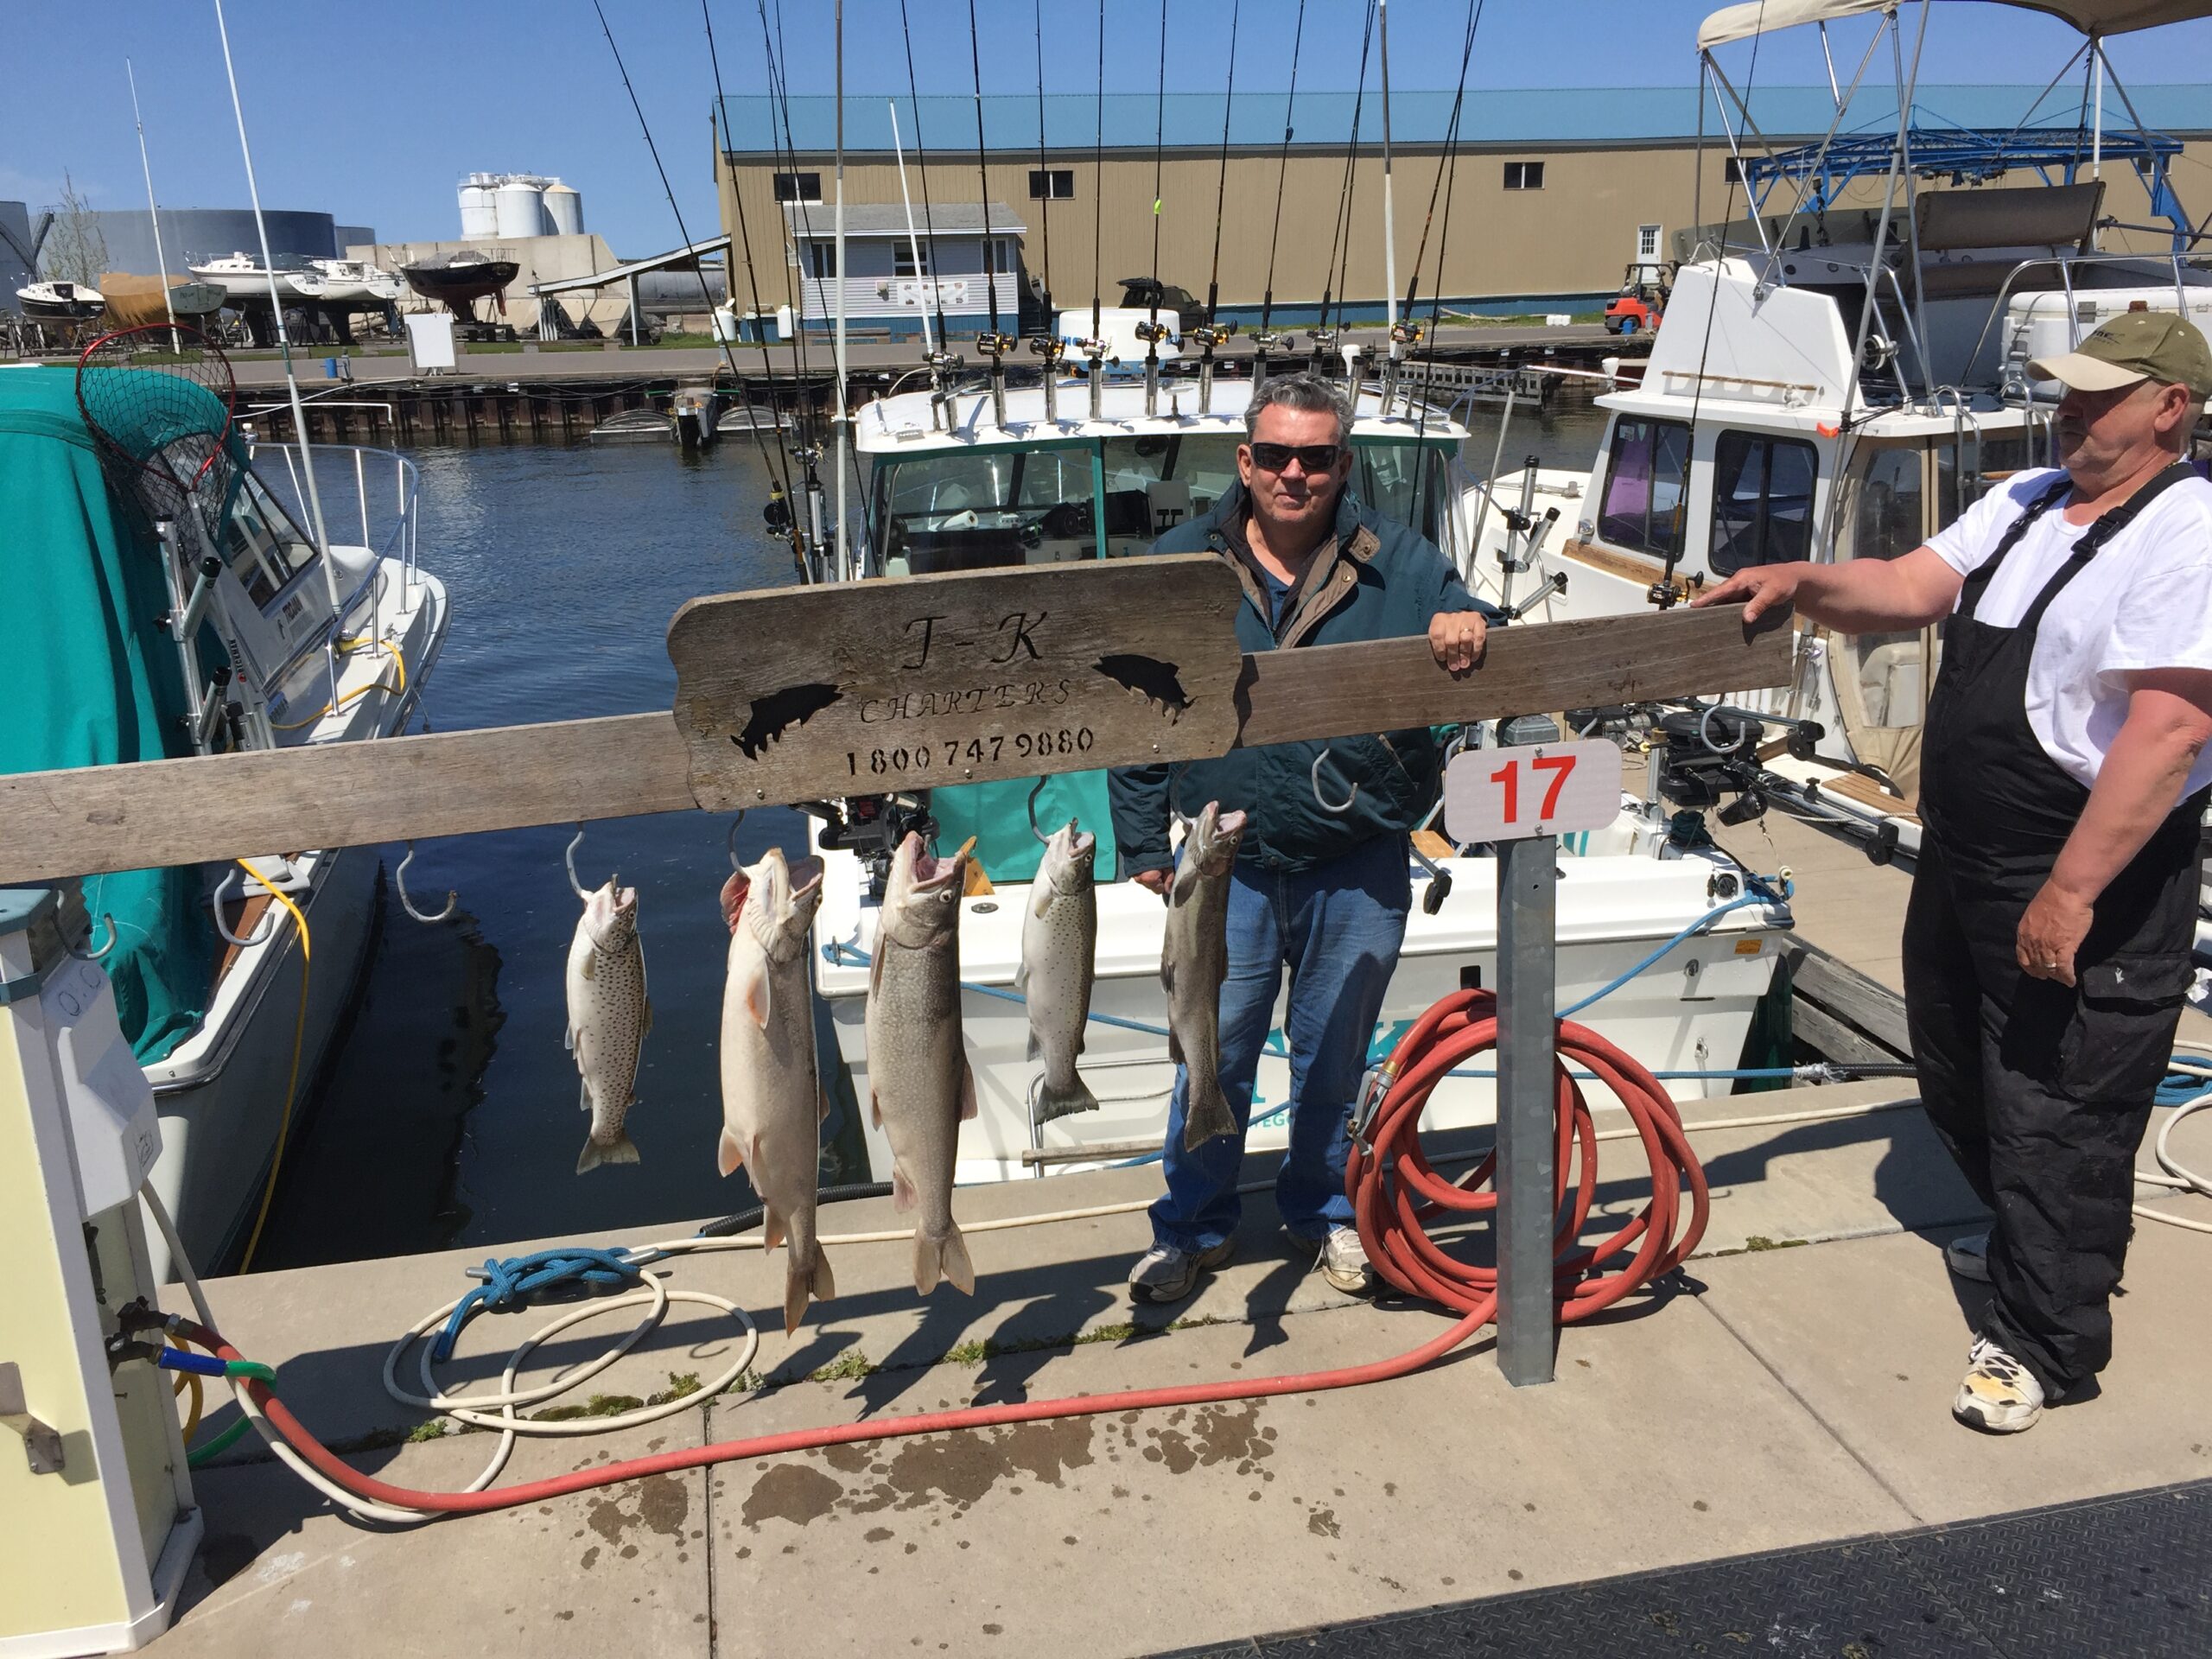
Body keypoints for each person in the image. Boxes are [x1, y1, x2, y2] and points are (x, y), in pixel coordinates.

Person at [1696, 311, 2212, 1433]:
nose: (2068, 410)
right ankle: (2045, 1253)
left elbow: (2168, 730)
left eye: (2097, 395)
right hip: (1967, 855)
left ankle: (2046, 1341)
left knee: (2057, 1103)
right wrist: (1798, 579)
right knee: (1960, 1073)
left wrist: (2071, 893)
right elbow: (1909, 586)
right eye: (2067, 392)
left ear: (2169, 407)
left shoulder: (2191, 531)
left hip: (2085, 868)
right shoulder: (2027, 504)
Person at [1110, 372, 1497, 1304]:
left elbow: (1480, 623)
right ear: (1244, 462)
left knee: (1334, 1056)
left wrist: (1465, 620)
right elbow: (1133, 705)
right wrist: (1139, 842)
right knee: (1214, 1053)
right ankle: (1191, 1226)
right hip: (1226, 872)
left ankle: (1323, 1211)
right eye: (1276, 455)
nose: (1295, 473)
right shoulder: (1178, 563)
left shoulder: (1399, 561)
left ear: (1341, 464)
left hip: (1355, 863)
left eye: (1315, 457)